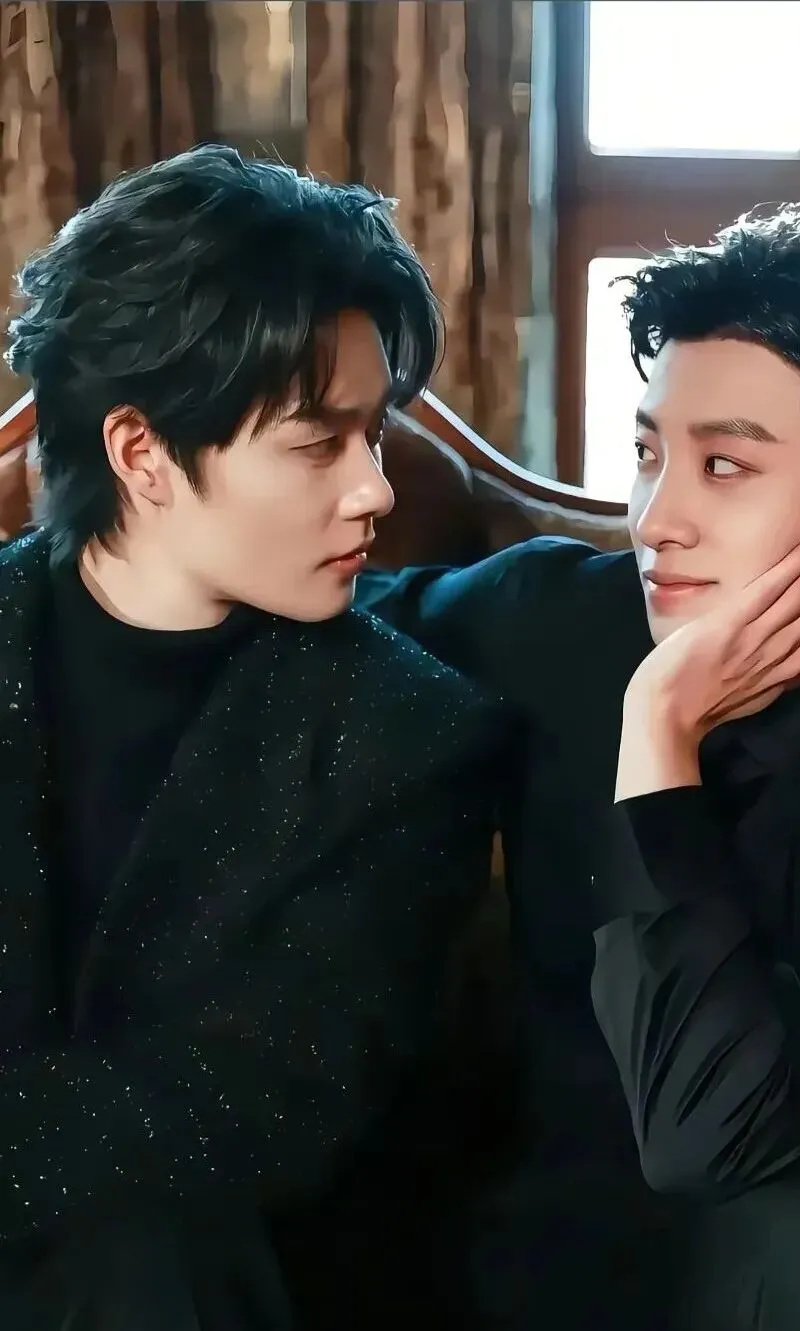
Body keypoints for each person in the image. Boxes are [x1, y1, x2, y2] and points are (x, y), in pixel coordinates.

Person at [356, 205, 800, 1331]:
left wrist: (660, 740)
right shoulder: (551, 617)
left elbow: (719, 1132)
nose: (656, 520)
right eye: (649, 454)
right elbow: (285, 624)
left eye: (723, 465)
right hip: (548, 1250)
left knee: (799, 1231)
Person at [0, 145, 501, 1330]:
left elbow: (253, 1113)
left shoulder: (407, 734)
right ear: (140, 453)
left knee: (145, 1251)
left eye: (373, 434)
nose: (375, 489)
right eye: (319, 443)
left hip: (216, 1282)